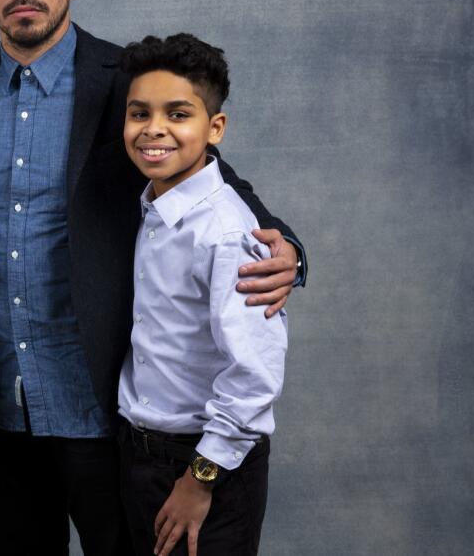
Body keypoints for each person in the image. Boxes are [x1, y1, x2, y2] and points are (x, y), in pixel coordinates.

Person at [0, 0, 307, 555]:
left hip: (106, 407)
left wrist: (289, 249)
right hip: (3, 410)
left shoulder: (126, 81)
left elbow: (214, 175)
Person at [115, 34, 286, 556]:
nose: (154, 129)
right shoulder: (154, 205)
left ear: (215, 128)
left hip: (204, 464)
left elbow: (255, 374)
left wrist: (200, 478)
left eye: (178, 114)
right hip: (140, 453)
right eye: (139, 113)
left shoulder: (228, 232)